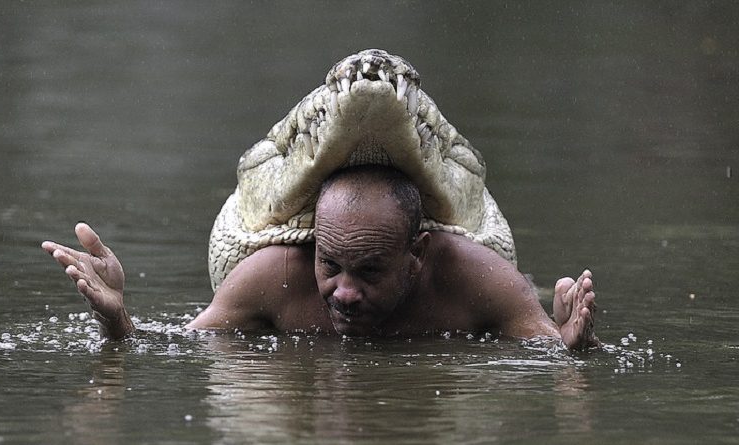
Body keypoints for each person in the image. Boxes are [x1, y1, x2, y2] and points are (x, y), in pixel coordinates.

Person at [42, 165, 599, 350]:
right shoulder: (271, 278)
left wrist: (575, 348)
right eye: (330, 265)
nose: (345, 291)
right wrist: (115, 319)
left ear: (417, 256)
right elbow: (174, 350)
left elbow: (547, 356)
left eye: (371, 270)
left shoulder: (476, 278)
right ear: (312, 245)